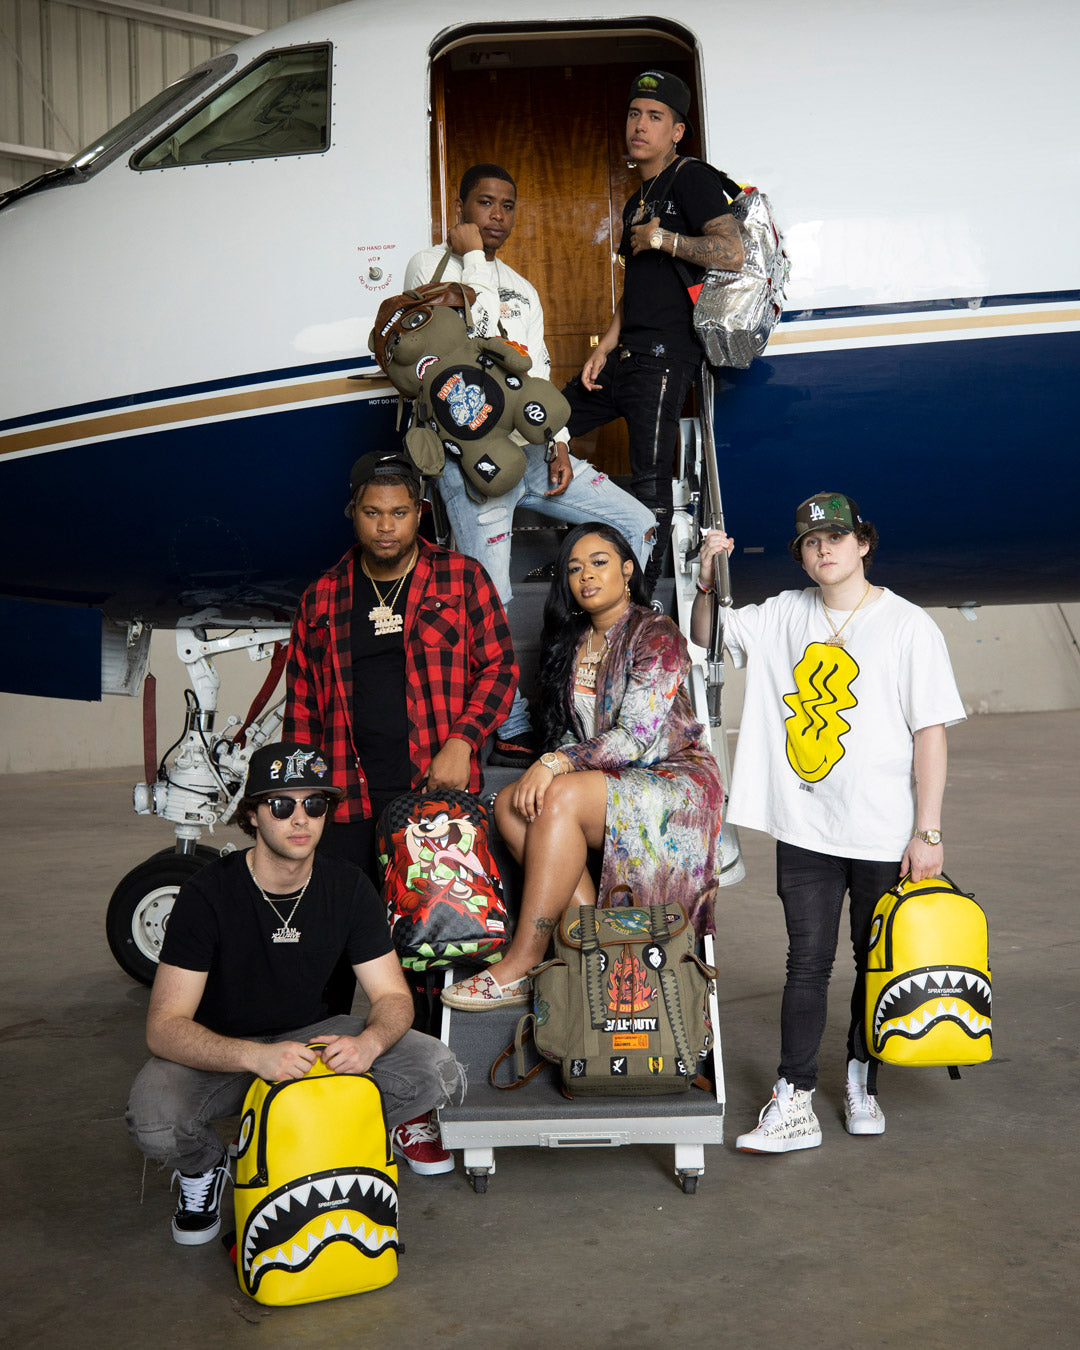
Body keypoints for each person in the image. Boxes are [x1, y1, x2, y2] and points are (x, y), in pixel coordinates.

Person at [690, 492, 966, 1152]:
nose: (825, 550)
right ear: (803, 557)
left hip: (882, 830)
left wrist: (928, 831)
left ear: (862, 543)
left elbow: (930, 733)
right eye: (812, 543)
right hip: (806, 827)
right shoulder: (784, 613)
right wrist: (705, 581)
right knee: (807, 962)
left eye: (836, 538)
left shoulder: (907, 626)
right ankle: (794, 1098)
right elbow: (706, 636)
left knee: (876, 964)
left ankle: (861, 1079)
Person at [126, 742, 465, 1246]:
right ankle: (207, 1166)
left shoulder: (348, 887)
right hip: (226, 1047)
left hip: (314, 1043)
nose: (300, 818)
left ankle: (305, 1145)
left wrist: (369, 1044)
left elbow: (393, 997)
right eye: (282, 805)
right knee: (154, 1120)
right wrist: (255, 1057)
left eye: (315, 804)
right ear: (252, 815)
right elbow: (164, 1027)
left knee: (437, 1070)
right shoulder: (206, 895)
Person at [404, 163, 655, 765]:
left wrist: (561, 439)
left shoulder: (522, 286)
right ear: (460, 208)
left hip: (532, 451)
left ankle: (593, 663)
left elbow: (533, 368)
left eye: (508, 205)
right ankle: (512, 721)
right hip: (471, 462)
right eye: (485, 203)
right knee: (488, 593)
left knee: (638, 525)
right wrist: (471, 260)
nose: (497, 215)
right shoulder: (428, 268)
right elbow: (474, 344)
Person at [441, 522, 723, 1011]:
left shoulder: (657, 633)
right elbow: (578, 730)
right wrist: (557, 761)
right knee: (510, 805)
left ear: (628, 570)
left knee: (559, 795)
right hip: (615, 777)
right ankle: (600, 952)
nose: (586, 575)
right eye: (574, 569)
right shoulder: (574, 641)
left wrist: (554, 763)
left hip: (673, 778)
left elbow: (635, 736)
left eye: (599, 563)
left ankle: (522, 961)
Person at [283, 450, 518, 882]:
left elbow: (499, 671)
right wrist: (301, 795)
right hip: (345, 797)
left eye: (399, 513)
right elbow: (302, 706)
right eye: (372, 512)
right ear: (353, 513)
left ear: (419, 512)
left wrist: (461, 743)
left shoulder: (461, 578)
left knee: (440, 920)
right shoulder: (321, 596)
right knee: (351, 919)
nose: (386, 527)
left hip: (437, 789)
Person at [561, 71, 745, 597]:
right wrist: (604, 345)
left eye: (655, 117)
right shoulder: (637, 199)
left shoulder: (691, 177)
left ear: (677, 131)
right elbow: (637, 286)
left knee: (650, 482)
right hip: (627, 355)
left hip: (666, 358)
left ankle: (641, 601)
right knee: (549, 424)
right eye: (634, 114)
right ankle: (595, 544)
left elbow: (731, 252)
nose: (640, 125)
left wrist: (664, 239)